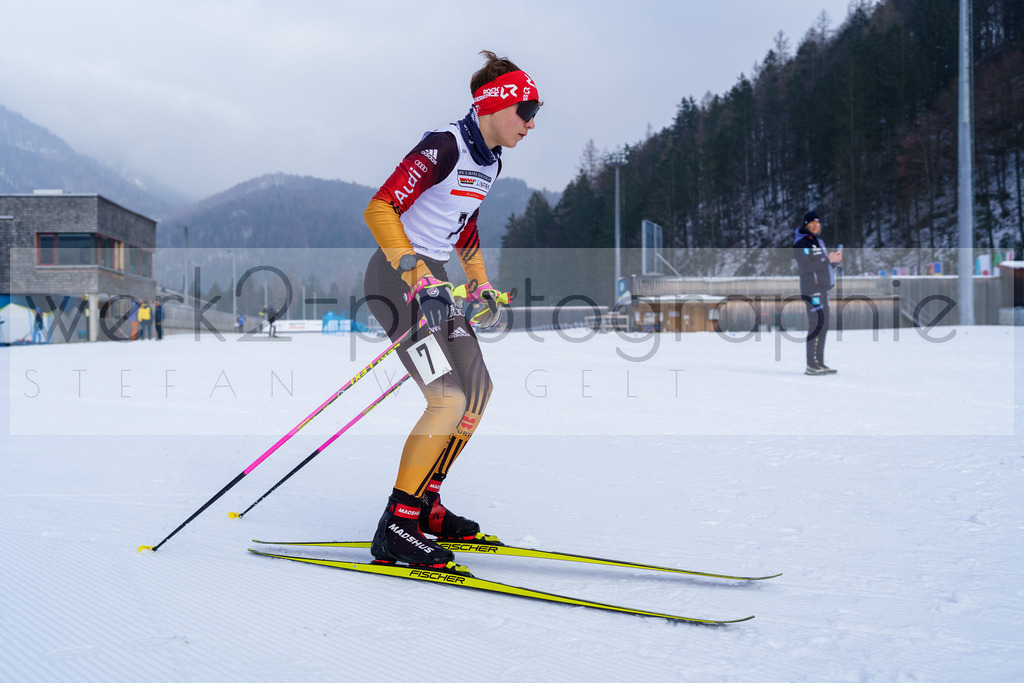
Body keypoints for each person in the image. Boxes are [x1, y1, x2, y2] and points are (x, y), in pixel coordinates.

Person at [362, 50, 540, 568]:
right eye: (525, 111)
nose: (530, 123)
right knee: (446, 398)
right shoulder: (444, 145)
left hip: (435, 283)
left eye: (535, 113)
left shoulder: (491, 160)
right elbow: (380, 208)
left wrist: (480, 282)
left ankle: (425, 504)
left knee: (478, 391)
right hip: (397, 281)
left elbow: (463, 225)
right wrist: (414, 270)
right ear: (495, 104)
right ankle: (397, 528)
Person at [793, 210, 843, 375]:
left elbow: (823, 266)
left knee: (824, 325)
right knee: (815, 324)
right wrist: (826, 259)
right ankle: (810, 364)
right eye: (812, 222)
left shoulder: (819, 242)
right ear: (806, 224)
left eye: (818, 222)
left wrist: (833, 261)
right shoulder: (801, 244)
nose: (815, 225)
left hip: (823, 290)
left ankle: (819, 362)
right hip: (811, 290)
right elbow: (806, 267)